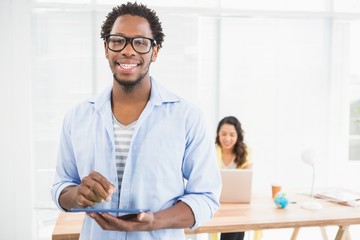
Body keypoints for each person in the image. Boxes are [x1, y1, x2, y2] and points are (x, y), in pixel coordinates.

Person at [51, 2, 221, 240]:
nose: (128, 51)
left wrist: (153, 221)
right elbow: (61, 187)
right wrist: (77, 194)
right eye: (118, 40)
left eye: (140, 42)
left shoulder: (187, 117)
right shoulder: (77, 117)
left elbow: (206, 197)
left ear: (155, 51)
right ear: (106, 48)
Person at [216, 116, 252, 240]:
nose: (227, 138)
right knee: (233, 228)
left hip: (237, 204)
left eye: (232, 135)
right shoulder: (211, 151)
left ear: (238, 136)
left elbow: (247, 183)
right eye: (223, 134)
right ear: (218, 135)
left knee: (235, 225)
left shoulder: (245, 152)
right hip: (216, 202)